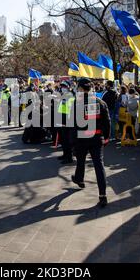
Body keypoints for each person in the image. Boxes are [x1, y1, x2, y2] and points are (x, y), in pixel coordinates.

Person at [71, 78, 111, 208]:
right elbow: (107, 122)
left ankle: (79, 179)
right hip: (96, 137)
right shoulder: (100, 102)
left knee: (81, 160)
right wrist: (106, 137)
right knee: (99, 166)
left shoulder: (77, 104)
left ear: (82, 89)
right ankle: (102, 195)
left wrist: (73, 141)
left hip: (82, 138)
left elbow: (73, 125)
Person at [57, 81, 75, 165]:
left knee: (67, 140)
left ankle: (69, 157)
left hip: (67, 121)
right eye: (62, 86)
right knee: (63, 139)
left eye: (64, 86)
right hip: (62, 120)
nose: (62, 88)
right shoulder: (64, 95)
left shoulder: (70, 95)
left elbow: (69, 110)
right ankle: (65, 154)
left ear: (68, 87)